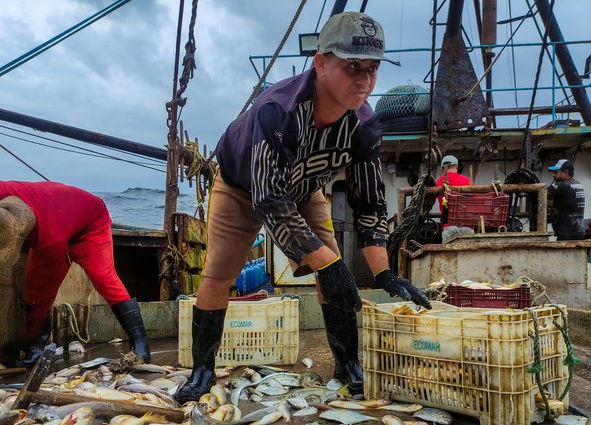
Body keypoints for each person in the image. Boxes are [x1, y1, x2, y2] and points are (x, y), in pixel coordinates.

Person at [174, 12, 432, 404]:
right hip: (244, 188)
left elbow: (369, 204)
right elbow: (268, 200)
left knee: (331, 274)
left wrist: (383, 273)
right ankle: (202, 370)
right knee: (218, 273)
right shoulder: (277, 111)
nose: (363, 81)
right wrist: (326, 261)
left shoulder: (364, 128)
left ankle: (347, 365)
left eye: (372, 69)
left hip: (304, 189)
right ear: (321, 62)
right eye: (351, 67)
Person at [0, 170, 151, 366]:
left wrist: (28, 339)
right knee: (36, 285)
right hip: (58, 212)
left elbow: (43, 294)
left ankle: (140, 345)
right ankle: (36, 344)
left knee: (103, 278)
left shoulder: (50, 241)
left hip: (91, 218)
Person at [546, 159, 586, 241]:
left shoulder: (563, 185)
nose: (553, 175)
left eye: (556, 172)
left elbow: (542, 192)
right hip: (578, 232)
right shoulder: (578, 184)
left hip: (567, 234)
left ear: (565, 172)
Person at [435, 154, 472, 228]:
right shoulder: (468, 181)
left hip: (447, 226)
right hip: (467, 225)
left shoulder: (437, 183)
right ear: (457, 167)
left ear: (442, 169)